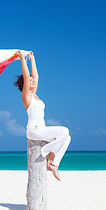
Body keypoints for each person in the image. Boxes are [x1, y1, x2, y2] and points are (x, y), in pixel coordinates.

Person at [14, 50, 71, 181]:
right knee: (64, 130)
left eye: (33, 80)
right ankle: (49, 155)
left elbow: (36, 76)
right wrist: (22, 59)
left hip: (41, 129)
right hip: (34, 130)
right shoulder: (26, 96)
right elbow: (27, 76)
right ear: (26, 84)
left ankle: (53, 163)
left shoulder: (34, 94)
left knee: (67, 138)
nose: (33, 80)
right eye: (30, 80)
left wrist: (32, 59)